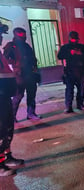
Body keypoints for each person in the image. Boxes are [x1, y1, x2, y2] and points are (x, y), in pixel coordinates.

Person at [0, 22, 24, 177]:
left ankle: (7, 156)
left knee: (7, 128)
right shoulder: (9, 48)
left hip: (4, 95)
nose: (1, 38)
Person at [3, 27, 41, 122]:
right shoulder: (10, 46)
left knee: (31, 94)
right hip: (19, 75)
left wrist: (35, 68)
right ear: (16, 35)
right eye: (21, 34)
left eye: (23, 35)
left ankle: (31, 113)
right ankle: (11, 117)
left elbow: (33, 58)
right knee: (18, 96)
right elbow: (5, 59)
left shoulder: (27, 46)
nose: (23, 36)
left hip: (30, 74)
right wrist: (15, 64)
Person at [57, 31, 84, 113]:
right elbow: (59, 56)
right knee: (69, 90)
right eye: (72, 39)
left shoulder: (82, 47)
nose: (74, 41)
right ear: (69, 38)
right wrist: (70, 53)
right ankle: (68, 107)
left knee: (81, 90)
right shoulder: (65, 47)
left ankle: (80, 104)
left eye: (75, 39)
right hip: (70, 72)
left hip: (81, 71)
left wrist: (80, 53)